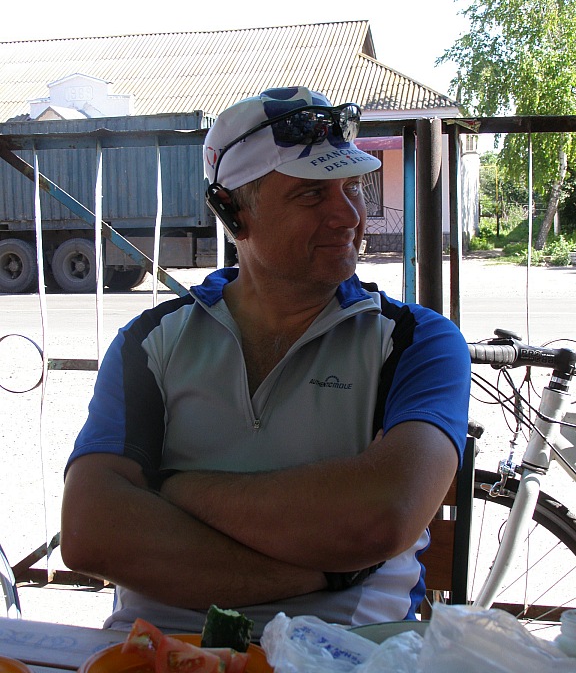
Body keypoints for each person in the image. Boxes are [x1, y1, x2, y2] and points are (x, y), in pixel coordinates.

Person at [60, 86, 471, 637]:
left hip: (345, 654)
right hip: (158, 652)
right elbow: (89, 532)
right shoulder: (151, 343)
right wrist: (323, 571)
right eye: (311, 195)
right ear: (233, 213)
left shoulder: (415, 342)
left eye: (353, 187)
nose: (348, 215)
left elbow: (382, 518)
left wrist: (175, 489)